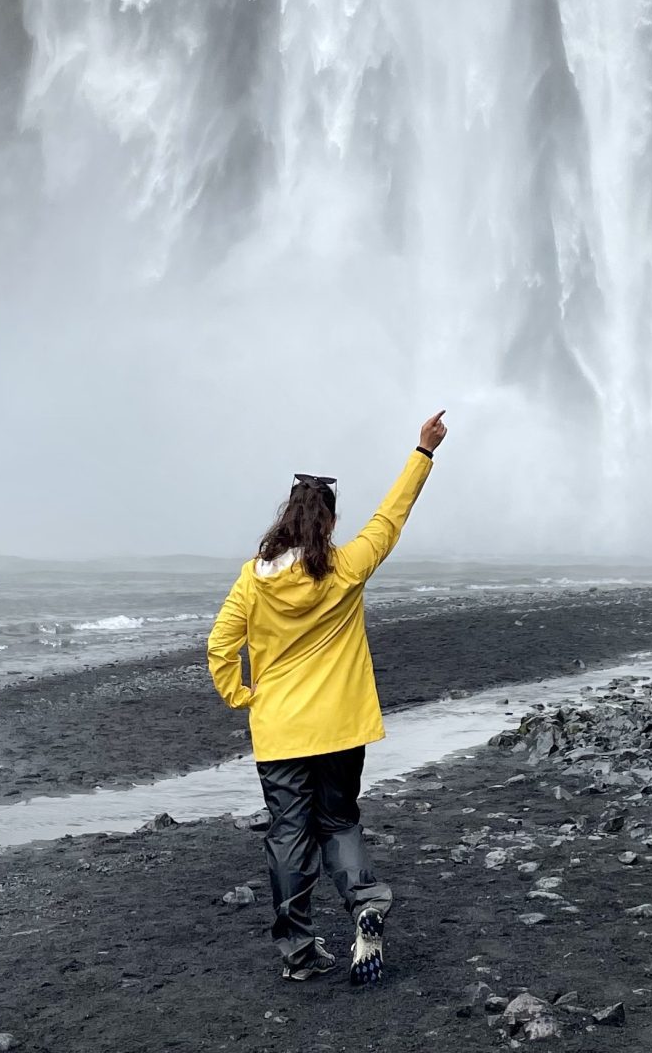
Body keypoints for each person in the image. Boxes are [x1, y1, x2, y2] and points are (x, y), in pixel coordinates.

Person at [206, 410, 449, 985]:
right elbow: (391, 517)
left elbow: (220, 644)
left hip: (281, 731)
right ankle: (364, 901)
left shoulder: (253, 577)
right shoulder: (346, 567)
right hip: (341, 727)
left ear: (285, 519)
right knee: (339, 822)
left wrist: (241, 694)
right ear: (330, 520)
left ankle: (298, 951)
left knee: (288, 833)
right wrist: (423, 452)